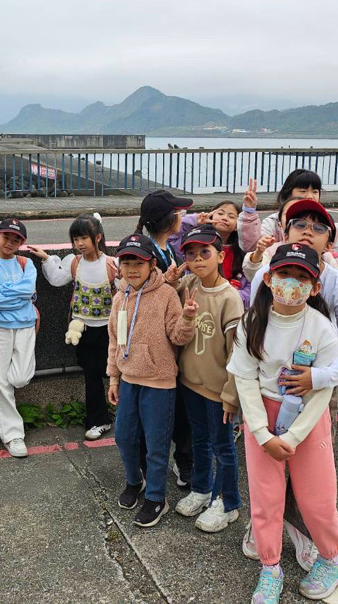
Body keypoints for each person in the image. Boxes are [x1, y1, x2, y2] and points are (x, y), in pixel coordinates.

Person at [239, 199, 338, 570]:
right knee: (266, 479)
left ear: (330, 242)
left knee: (311, 480)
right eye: (299, 223)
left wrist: (318, 378)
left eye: (318, 226)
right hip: (267, 393)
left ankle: (306, 537)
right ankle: (267, 533)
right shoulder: (268, 273)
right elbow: (250, 343)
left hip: (317, 389)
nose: (308, 231)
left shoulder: (335, 283)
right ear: (284, 231)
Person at [229, 244, 338, 603]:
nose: (291, 284)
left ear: (315, 287)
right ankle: (270, 568)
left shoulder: (322, 329)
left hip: (308, 421)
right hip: (261, 419)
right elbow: (245, 379)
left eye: (302, 278)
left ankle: (333, 559)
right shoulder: (252, 322)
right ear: (268, 278)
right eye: (284, 274)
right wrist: (261, 433)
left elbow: (321, 392)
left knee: (317, 498)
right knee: (265, 499)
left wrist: (294, 436)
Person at [107, 234, 196, 528]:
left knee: (157, 445)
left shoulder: (167, 294)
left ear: (152, 264)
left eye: (139, 263)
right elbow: (115, 340)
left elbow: (178, 337)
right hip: (129, 380)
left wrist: (187, 319)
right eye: (126, 263)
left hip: (159, 382)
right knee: (124, 437)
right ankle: (136, 481)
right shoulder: (120, 298)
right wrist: (114, 378)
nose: (132, 269)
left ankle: (157, 497)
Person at [170, 224, 245, 533]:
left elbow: (236, 353)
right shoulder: (190, 284)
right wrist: (171, 278)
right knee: (199, 440)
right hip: (191, 383)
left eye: (205, 252)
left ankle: (228, 503)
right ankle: (201, 489)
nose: (198, 259)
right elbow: (167, 291)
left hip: (218, 390)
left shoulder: (230, 298)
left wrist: (231, 395)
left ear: (221, 255)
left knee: (223, 446)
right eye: (190, 254)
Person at [28, 212, 118, 441]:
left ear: (97, 238)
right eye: (75, 239)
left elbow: (127, 287)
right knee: (91, 376)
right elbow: (57, 279)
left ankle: (125, 415)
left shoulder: (111, 264)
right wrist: (47, 259)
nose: (79, 243)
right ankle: (99, 420)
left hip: (108, 329)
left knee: (112, 372)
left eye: (84, 238)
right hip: (82, 328)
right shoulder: (74, 262)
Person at [137, 189, 195, 489]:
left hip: (173, 339)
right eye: (179, 213)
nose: (182, 217)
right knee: (154, 413)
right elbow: (140, 296)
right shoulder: (146, 253)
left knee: (181, 409)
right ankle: (148, 466)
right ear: (168, 219)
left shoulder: (167, 249)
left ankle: (183, 460)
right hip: (155, 344)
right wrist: (169, 283)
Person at [0, 219, 39, 458]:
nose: (10, 243)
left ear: (22, 243)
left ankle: (12, 429)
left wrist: (3, 293)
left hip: (26, 325)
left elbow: (28, 290)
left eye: (16, 240)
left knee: (20, 377)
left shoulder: (27, 263)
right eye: (6, 237)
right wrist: (19, 298)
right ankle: (13, 435)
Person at [240, 169, 338, 269]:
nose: (310, 196)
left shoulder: (327, 224)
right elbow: (252, 249)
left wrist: (323, 263)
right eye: (303, 191)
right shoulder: (273, 223)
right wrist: (249, 211)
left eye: (315, 191)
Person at [170, 197, 251, 307]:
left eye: (231, 216)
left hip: (229, 303)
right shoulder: (193, 243)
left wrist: (232, 295)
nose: (224, 218)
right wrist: (195, 220)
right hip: (197, 300)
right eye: (220, 213)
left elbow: (251, 283)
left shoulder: (242, 251)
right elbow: (171, 237)